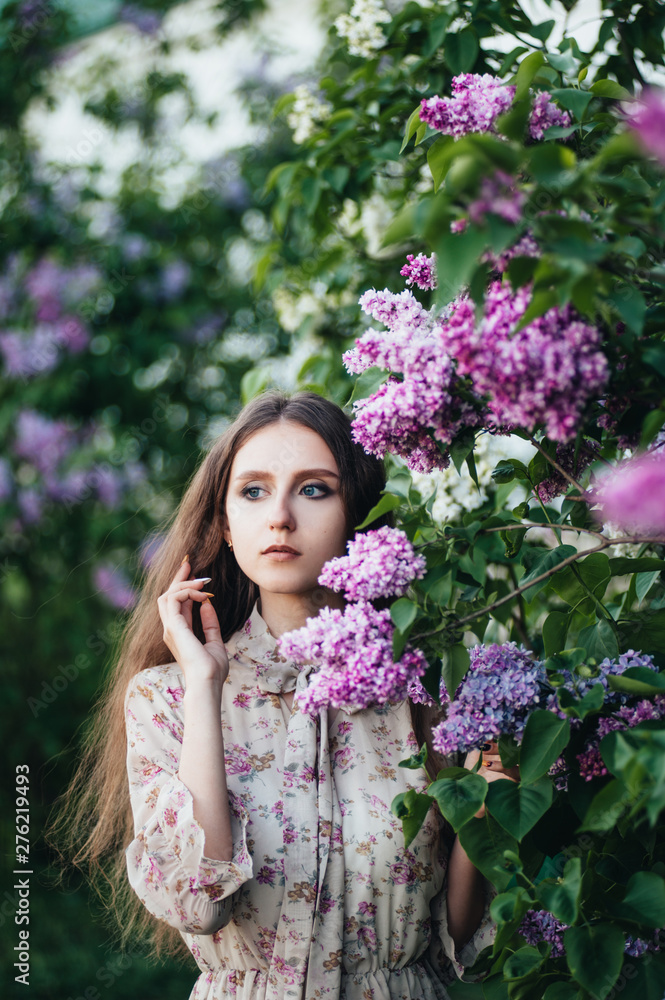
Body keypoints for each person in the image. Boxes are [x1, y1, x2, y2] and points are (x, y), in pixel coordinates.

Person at [49, 389, 517, 1000]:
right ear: (225, 523)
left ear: (358, 511)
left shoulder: (426, 687)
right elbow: (198, 905)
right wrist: (204, 685)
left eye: (314, 489)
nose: (280, 517)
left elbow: (457, 937)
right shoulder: (167, 696)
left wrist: (489, 799)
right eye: (253, 491)